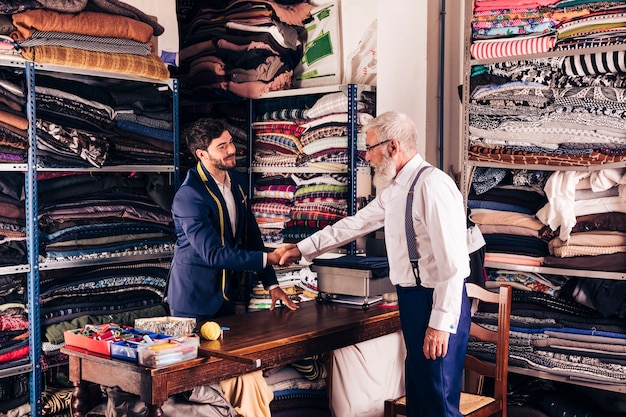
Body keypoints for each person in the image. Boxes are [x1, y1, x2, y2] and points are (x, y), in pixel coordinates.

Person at [279, 111, 472, 417]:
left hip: (436, 301)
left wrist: (440, 325)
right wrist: (301, 249)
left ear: (392, 146)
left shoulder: (433, 185)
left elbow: (455, 263)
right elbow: (354, 225)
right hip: (411, 300)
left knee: (439, 401)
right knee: (420, 399)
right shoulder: (394, 191)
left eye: (369, 148)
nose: (366, 157)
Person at [167, 118, 298, 322]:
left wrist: (271, 284)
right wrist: (270, 258)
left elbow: (251, 236)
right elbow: (213, 253)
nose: (231, 149)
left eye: (230, 142)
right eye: (222, 146)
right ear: (202, 154)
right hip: (193, 301)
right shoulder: (190, 196)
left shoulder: (237, 181)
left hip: (227, 296)